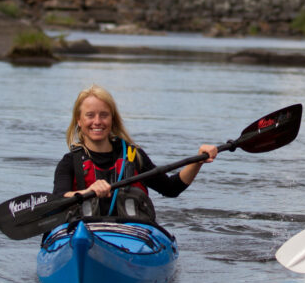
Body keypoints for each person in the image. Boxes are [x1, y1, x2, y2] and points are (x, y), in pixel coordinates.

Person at [53, 84, 218, 220]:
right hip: (83, 234)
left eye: (104, 115)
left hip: (131, 235)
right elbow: (58, 199)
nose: (97, 121)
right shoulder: (69, 162)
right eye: (90, 115)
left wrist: (197, 161)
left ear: (112, 119)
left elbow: (171, 188)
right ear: (79, 121)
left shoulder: (133, 156)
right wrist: (87, 192)